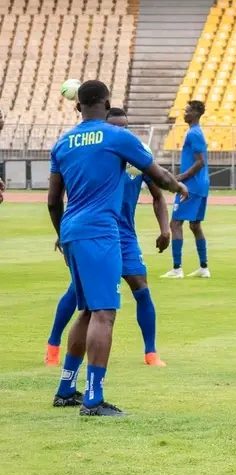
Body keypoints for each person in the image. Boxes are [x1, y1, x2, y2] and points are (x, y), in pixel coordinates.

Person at [48, 80, 187, 416]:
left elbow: (54, 201)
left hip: (72, 232)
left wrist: (63, 236)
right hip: (101, 232)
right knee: (104, 314)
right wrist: (180, 186)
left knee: (86, 310)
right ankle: (94, 399)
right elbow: (159, 176)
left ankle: (67, 388)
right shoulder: (117, 137)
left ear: (78, 106)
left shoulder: (63, 142)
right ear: (107, 103)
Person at [45, 107, 171, 368]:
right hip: (96, 234)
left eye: (125, 126)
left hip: (124, 235)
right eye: (116, 126)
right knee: (78, 297)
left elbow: (158, 196)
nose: (121, 131)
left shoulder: (136, 157)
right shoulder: (96, 157)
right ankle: (53, 346)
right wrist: (64, 232)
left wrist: (165, 228)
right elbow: (66, 197)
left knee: (142, 289)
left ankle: (151, 353)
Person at [161, 101, 210, 279]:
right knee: (195, 225)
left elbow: (200, 162)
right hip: (201, 184)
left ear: (196, 113)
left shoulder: (194, 133)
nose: (185, 112)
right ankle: (204, 267)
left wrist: (180, 178)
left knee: (175, 224)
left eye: (188, 110)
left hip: (192, 186)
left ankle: (177, 268)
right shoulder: (197, 132)